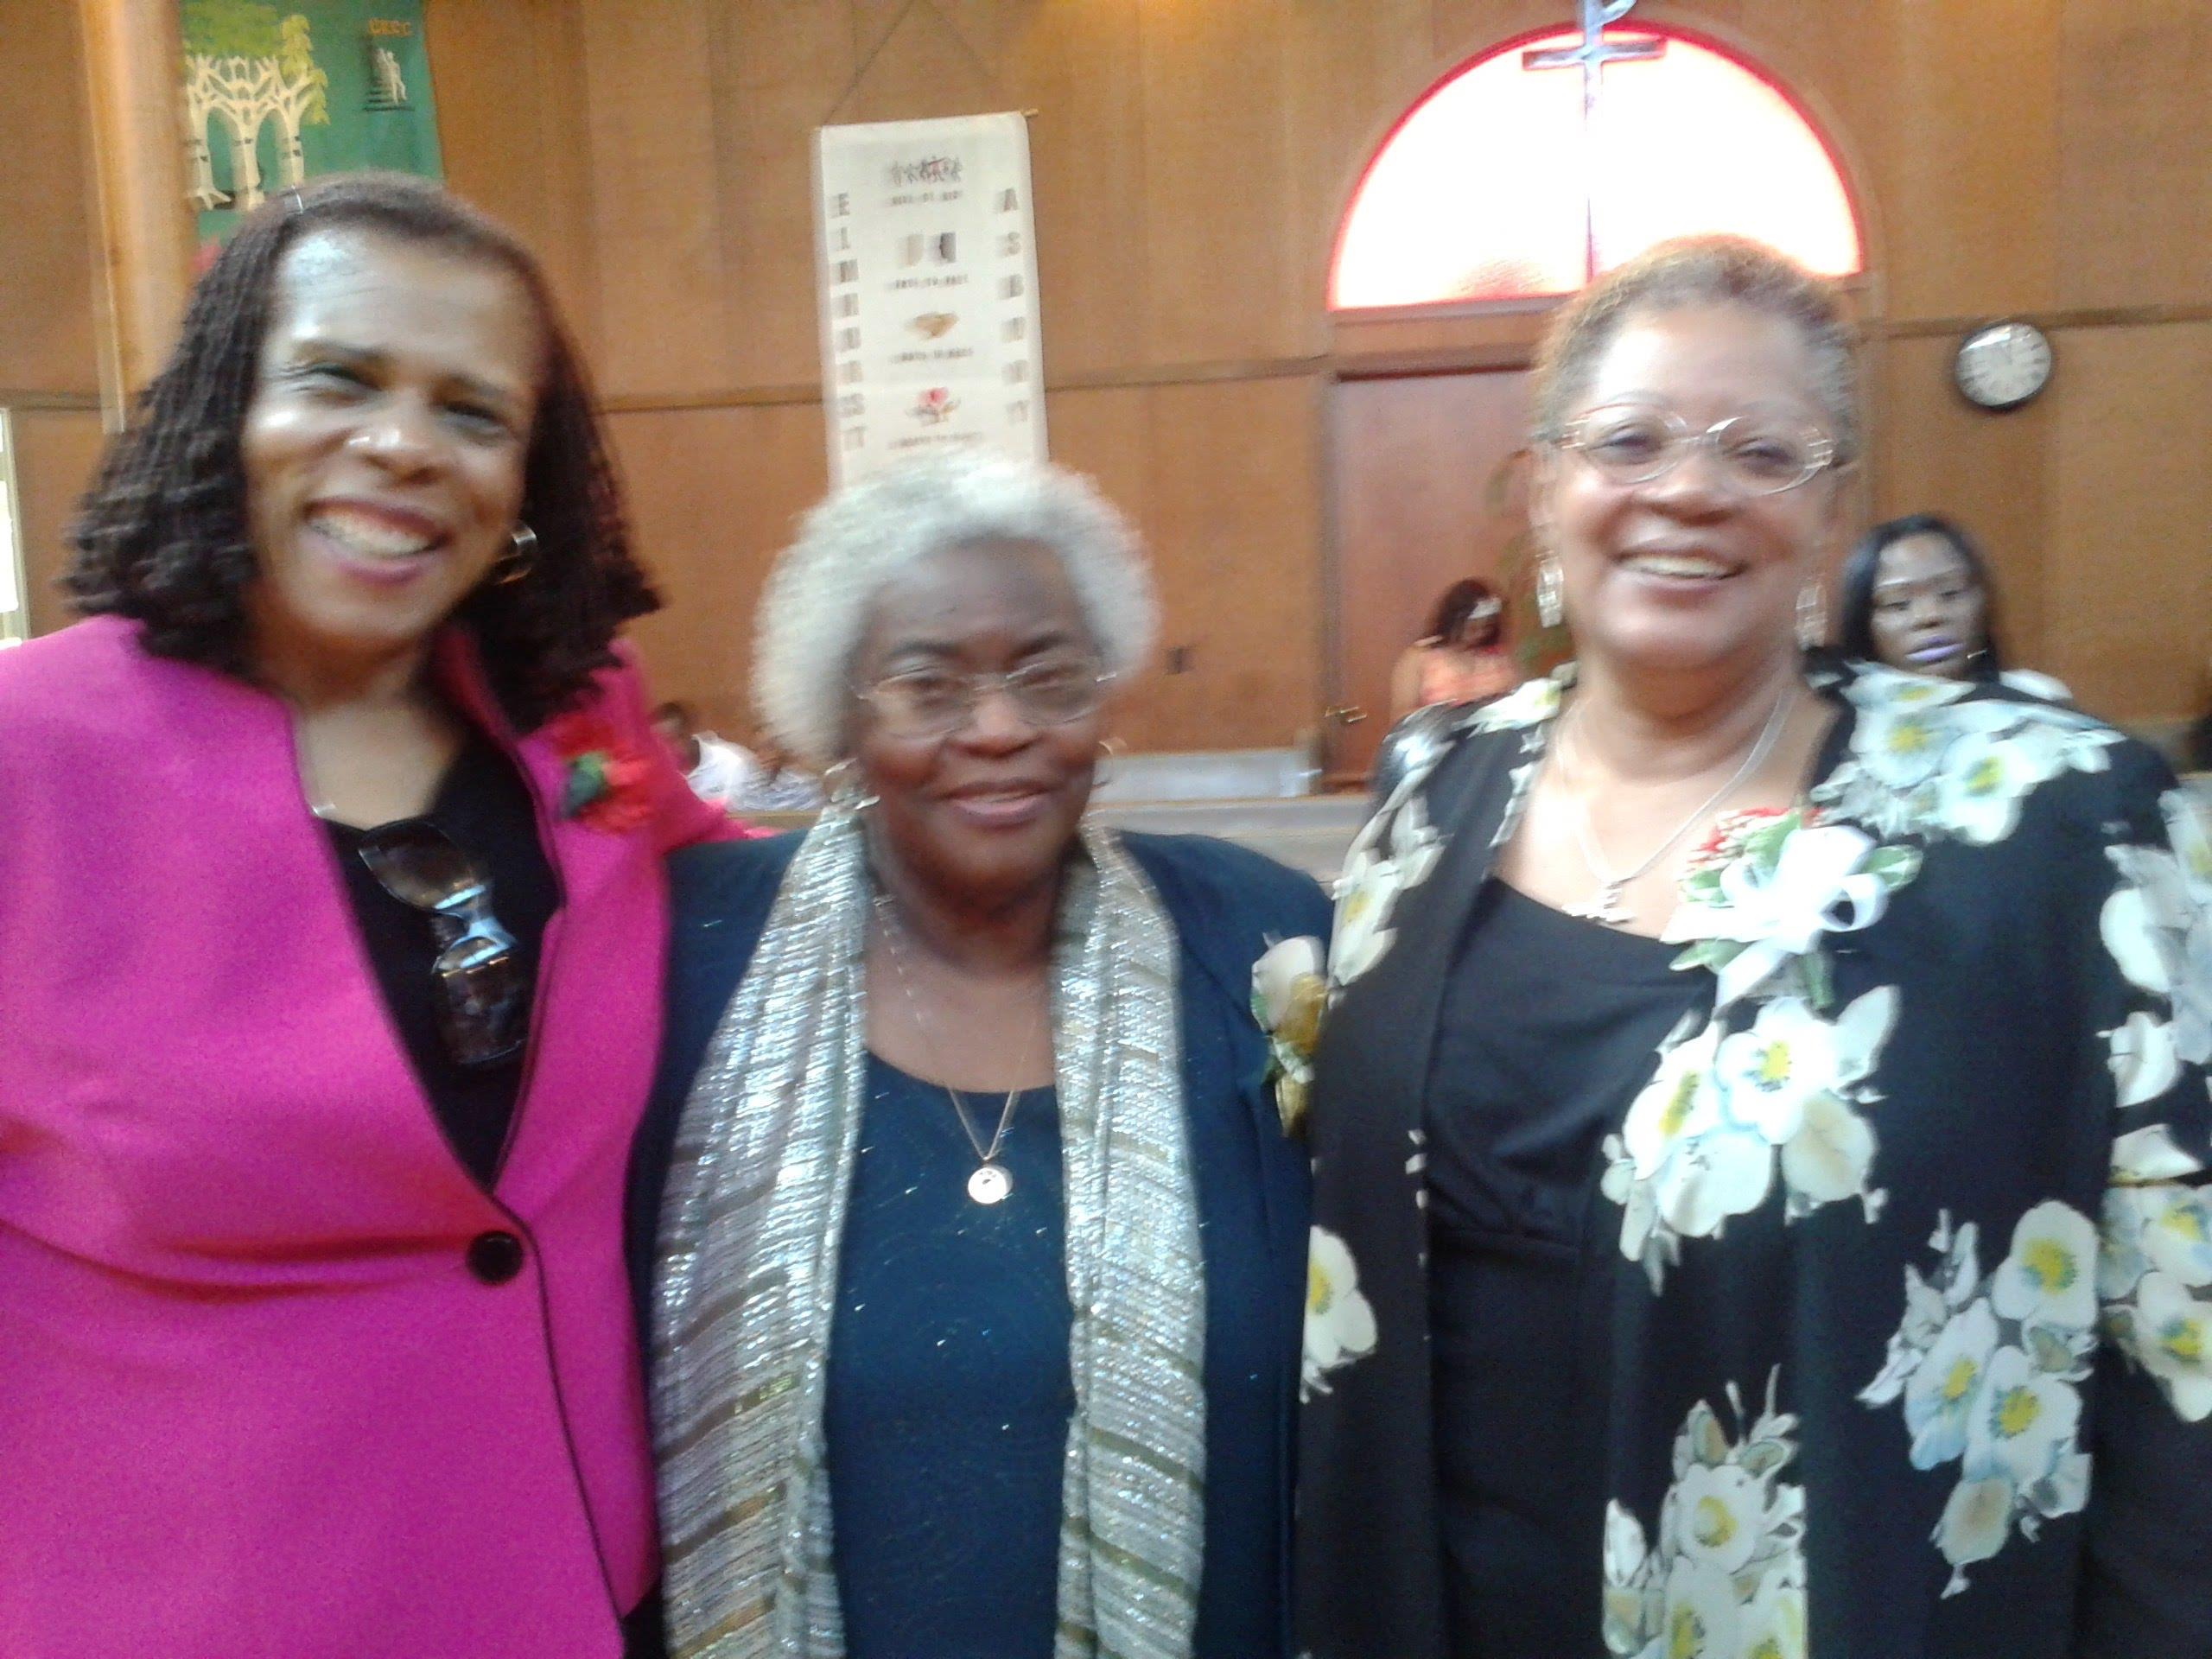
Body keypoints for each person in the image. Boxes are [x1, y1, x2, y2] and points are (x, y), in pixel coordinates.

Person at [1296, 236, 2212, 1659]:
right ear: (1546, 491)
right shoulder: (1434, 806)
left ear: (1834, 509)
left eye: (1762, 451)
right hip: (1454, 1598)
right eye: (1632, 440)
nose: (1689, 488)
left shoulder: (2052, 822)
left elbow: (2185, 1309)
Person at [0, 174, 737, 1657]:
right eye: (338, 380)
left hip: (581, 1583)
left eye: (473, 414)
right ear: (230, 409)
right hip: (197, 1606)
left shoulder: (566, 719)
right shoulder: (28, 757)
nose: (402, 447)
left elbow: (758, 896)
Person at [630, 450, 1330, 1659]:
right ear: (841, 716)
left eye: (1049, 677)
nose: (999, 728)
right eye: (929, 684)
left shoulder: (1256, 945)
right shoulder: (687, 955)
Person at [1836, 512, 2071, 700]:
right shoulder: (1844, 724)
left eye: (1950, 593)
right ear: (1862, 623)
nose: (1930, 616)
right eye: (1899, 604)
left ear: (1983, 601)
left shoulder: (2038, 699)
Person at [652, 697, 824, 815]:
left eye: (673, 740)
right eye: (660, 743)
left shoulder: (734, 765)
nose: (667, 749)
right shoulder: (748, 786)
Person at [1389, 575, 1521, 721]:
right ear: (1454, 621)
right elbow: (1400, 718)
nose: (1479, 634)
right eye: (1472, 628)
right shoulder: (1419, 657)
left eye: (1486, 627)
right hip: (1440, 738)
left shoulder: (1495, 655)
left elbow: (1515, 696)